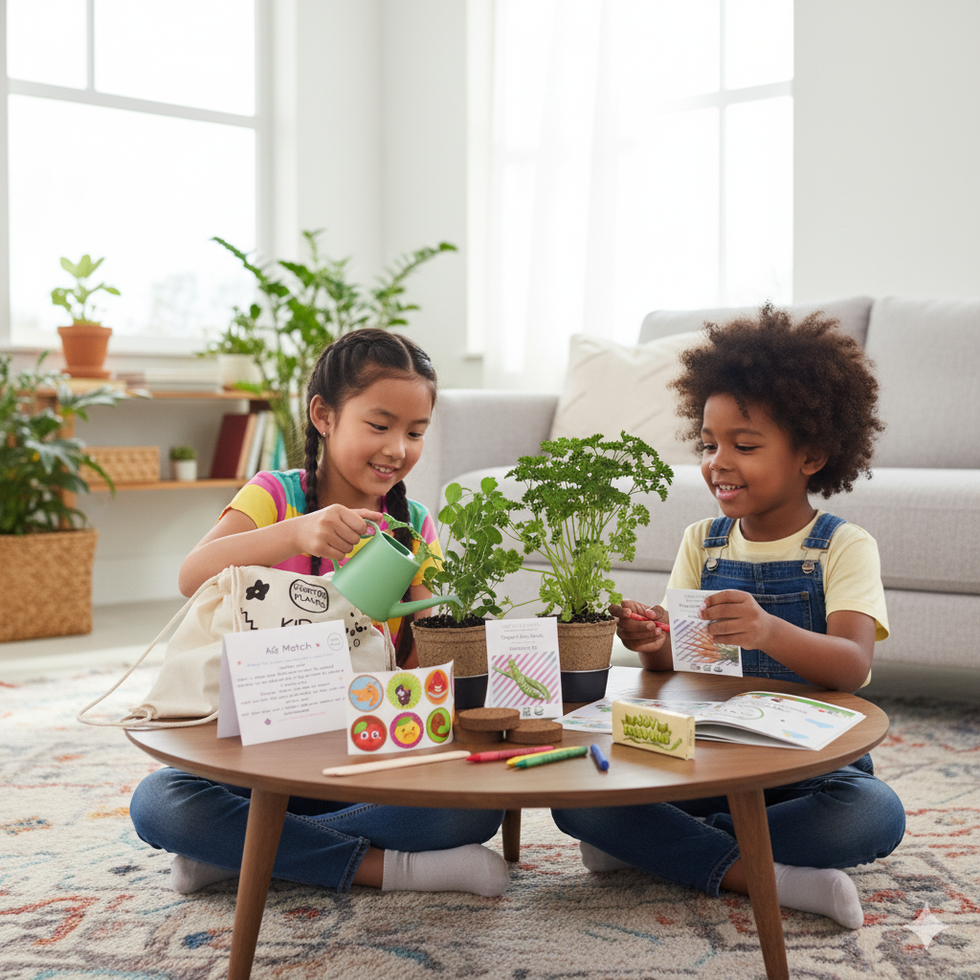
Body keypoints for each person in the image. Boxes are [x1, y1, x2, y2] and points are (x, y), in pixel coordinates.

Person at [551, 304, 906, 929]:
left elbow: (851, 667)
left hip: (809, 766)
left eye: (744, 445)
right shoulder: (702, 540)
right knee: (575, 794)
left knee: (872, 812)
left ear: (812, 455)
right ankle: (760, 871)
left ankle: (664, 846)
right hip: (705, 753)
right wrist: (648, 639)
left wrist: (769, 629)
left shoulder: (844, 546)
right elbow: (671, 663)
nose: (719, 460)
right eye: (710, 443)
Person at [130, 329, 508, 898]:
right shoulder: (275, 495)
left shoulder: (417, 527)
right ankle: (391, 870)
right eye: (379, 426)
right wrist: (299, 530)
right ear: (324, 416)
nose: (397, 449)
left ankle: (240, 855)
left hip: (362, 756)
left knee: (473, 813)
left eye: (415, 432)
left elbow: (416, 659)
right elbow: (192, 575)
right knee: (160, 802)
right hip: (256, 760)